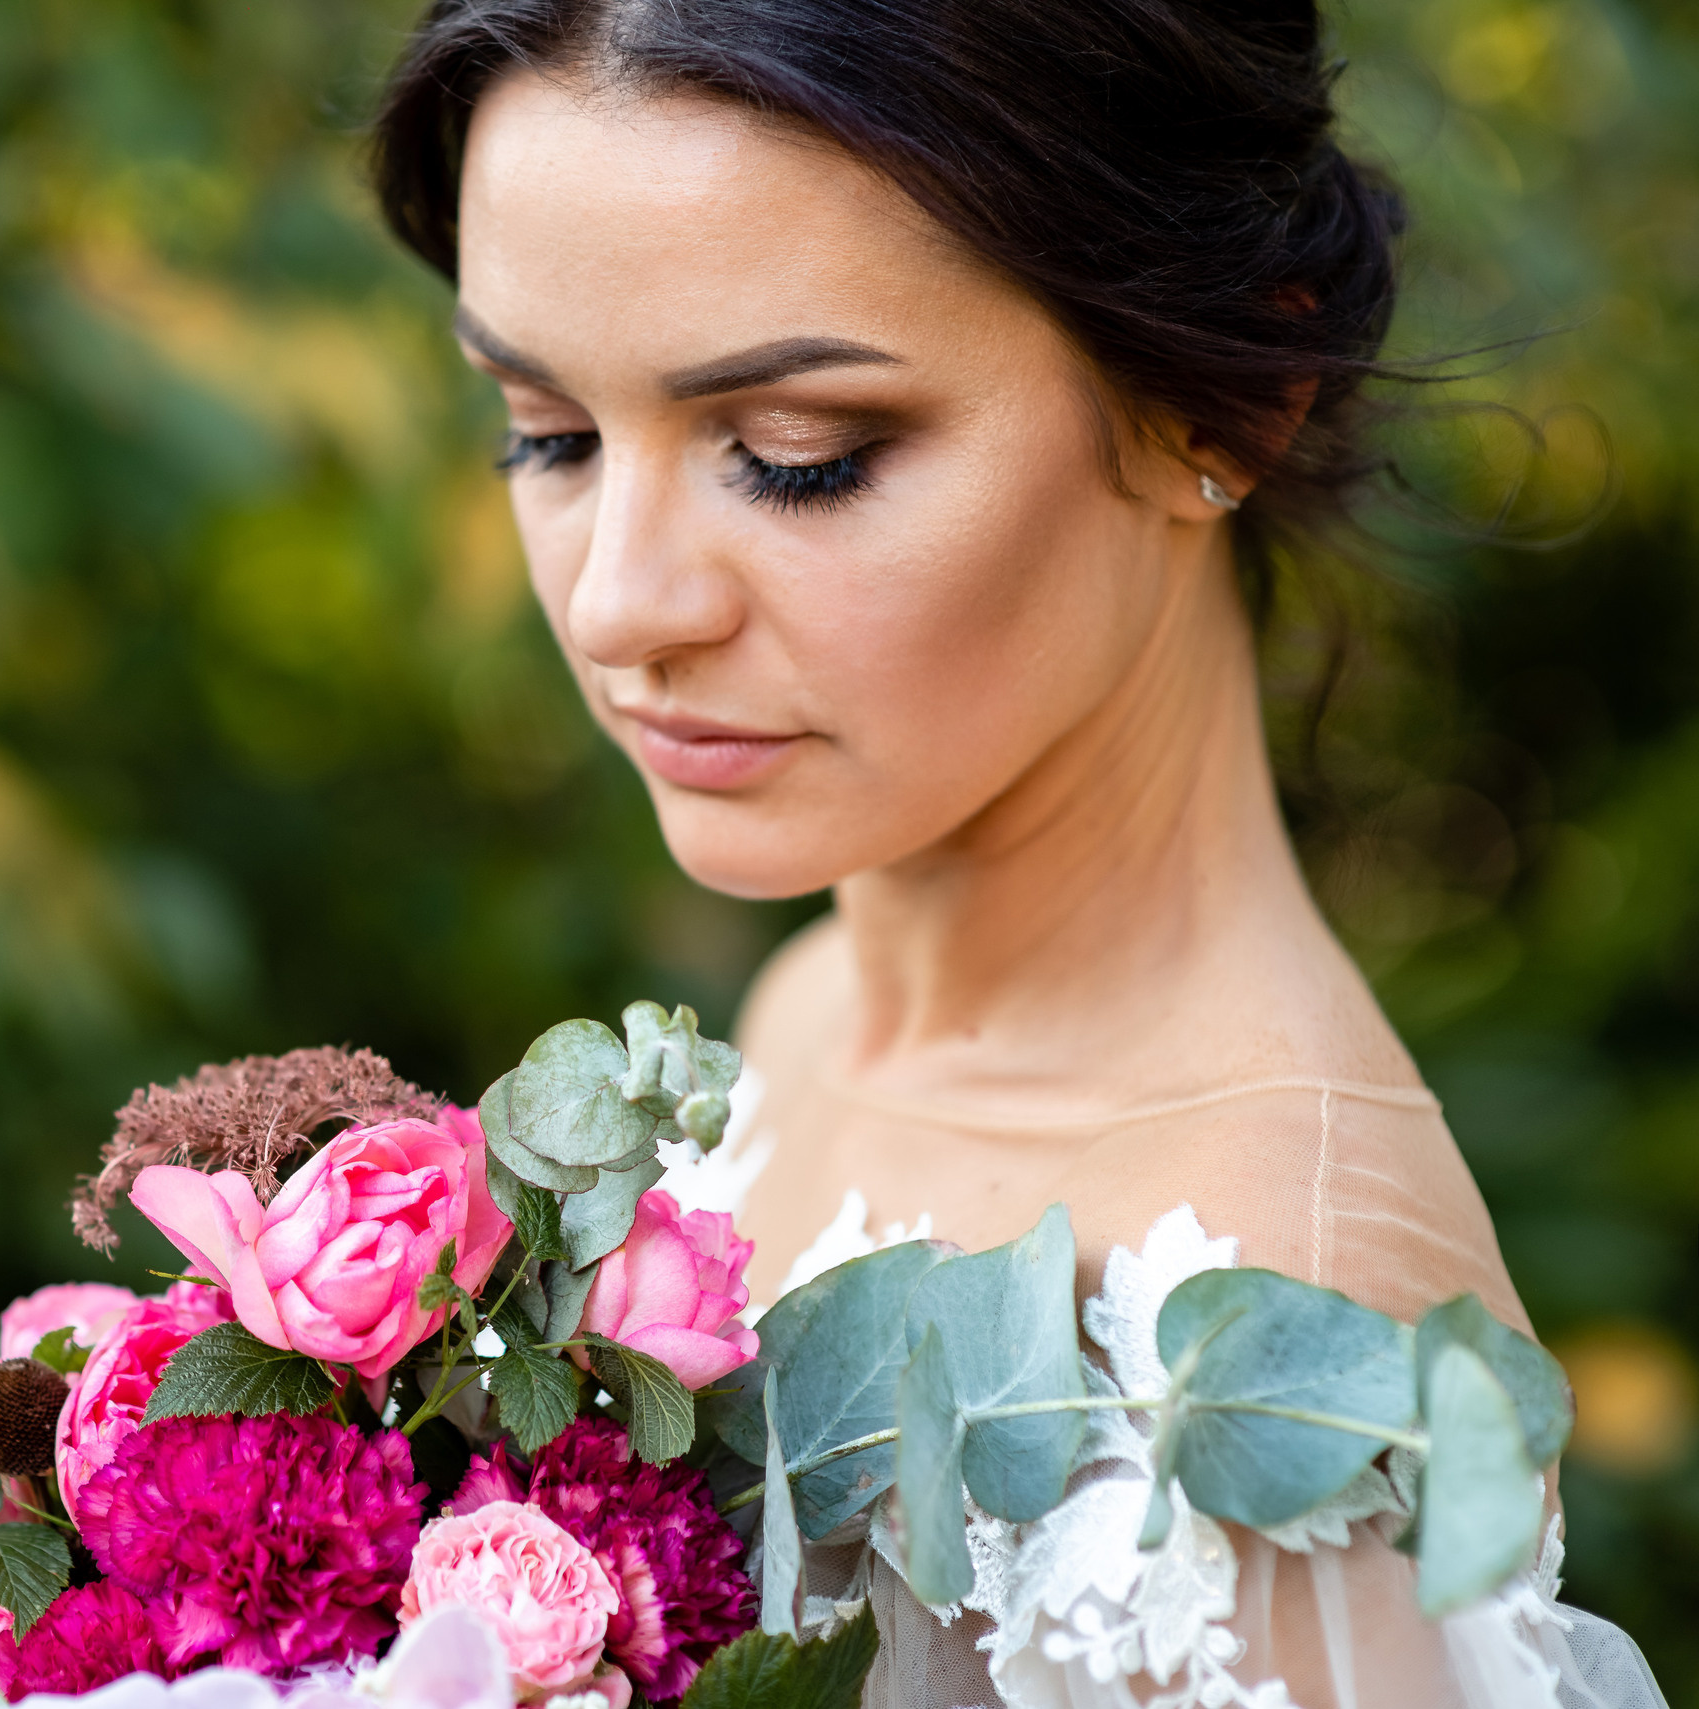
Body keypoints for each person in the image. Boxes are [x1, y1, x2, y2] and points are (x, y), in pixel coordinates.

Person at [371, 3, 1666, 1706]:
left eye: (797, 457)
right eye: (548, 432)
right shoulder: (814, 1006)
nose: (618, 602)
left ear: (1228, 399)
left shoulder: (1285, 1316)